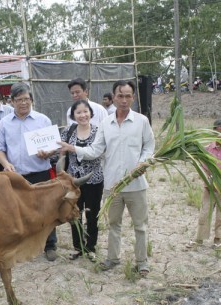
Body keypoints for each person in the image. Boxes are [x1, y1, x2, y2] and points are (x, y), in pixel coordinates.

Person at [58, 80, 155, 276]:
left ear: (133, 98)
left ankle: (142, 262)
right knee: (113, 224)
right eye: (120, 96)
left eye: (128, 96)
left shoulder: (141, 121)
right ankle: (112, 258)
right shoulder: (105, 123)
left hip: (136, 184)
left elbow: (149, 147)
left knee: (140, 226)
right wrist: (73, 148)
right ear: (114, 97)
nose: (124, 100)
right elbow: (95, 150)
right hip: (112, 185)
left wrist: (143, 162)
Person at [0, 82, 58, 261]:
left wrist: (49, 152)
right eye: (20, 100)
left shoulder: (42, 120)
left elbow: (54, 147)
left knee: (46, 209)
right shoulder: (5, 123)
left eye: (27, 99)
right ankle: (23, 245)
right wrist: (6, 163)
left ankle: (50, 244)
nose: (24, 103)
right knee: (17, 211)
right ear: (12, 101)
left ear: (31, 100)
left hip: (40, 171)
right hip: (16, 175)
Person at [61, 100, 103, 262]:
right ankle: (78, 247)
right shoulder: (68, 130)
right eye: (78, 112)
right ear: (73, 115)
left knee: (92, 215)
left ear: (91, 113)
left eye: (85, 111)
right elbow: (61, 151)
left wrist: (72, 148)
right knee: (74, 215)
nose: (82, 115)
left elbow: (97, 153)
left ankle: (91, 247)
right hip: (73, 181)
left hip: (94, 180)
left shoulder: (99, 132)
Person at [187, 119, 221, 250]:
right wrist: (210, 181)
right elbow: (204, 167)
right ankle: (200, 239)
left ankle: (218, 239)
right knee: (205, 212)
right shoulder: (208, 148)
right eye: (216, 132)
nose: (219, 135)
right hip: (209, 186)